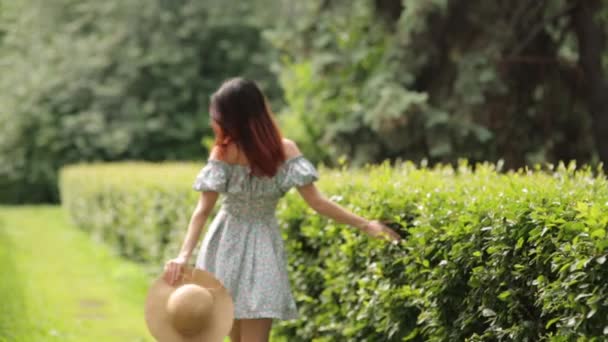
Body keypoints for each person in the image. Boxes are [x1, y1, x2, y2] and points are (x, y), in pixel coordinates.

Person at [163, 77, 401, 342]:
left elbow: (202, 211)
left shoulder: (227, 152)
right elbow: (318, 202)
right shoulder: (274, 150)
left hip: (231, 244)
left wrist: (367, 225)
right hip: (249, 244)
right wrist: (183, 255)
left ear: (235, 117)